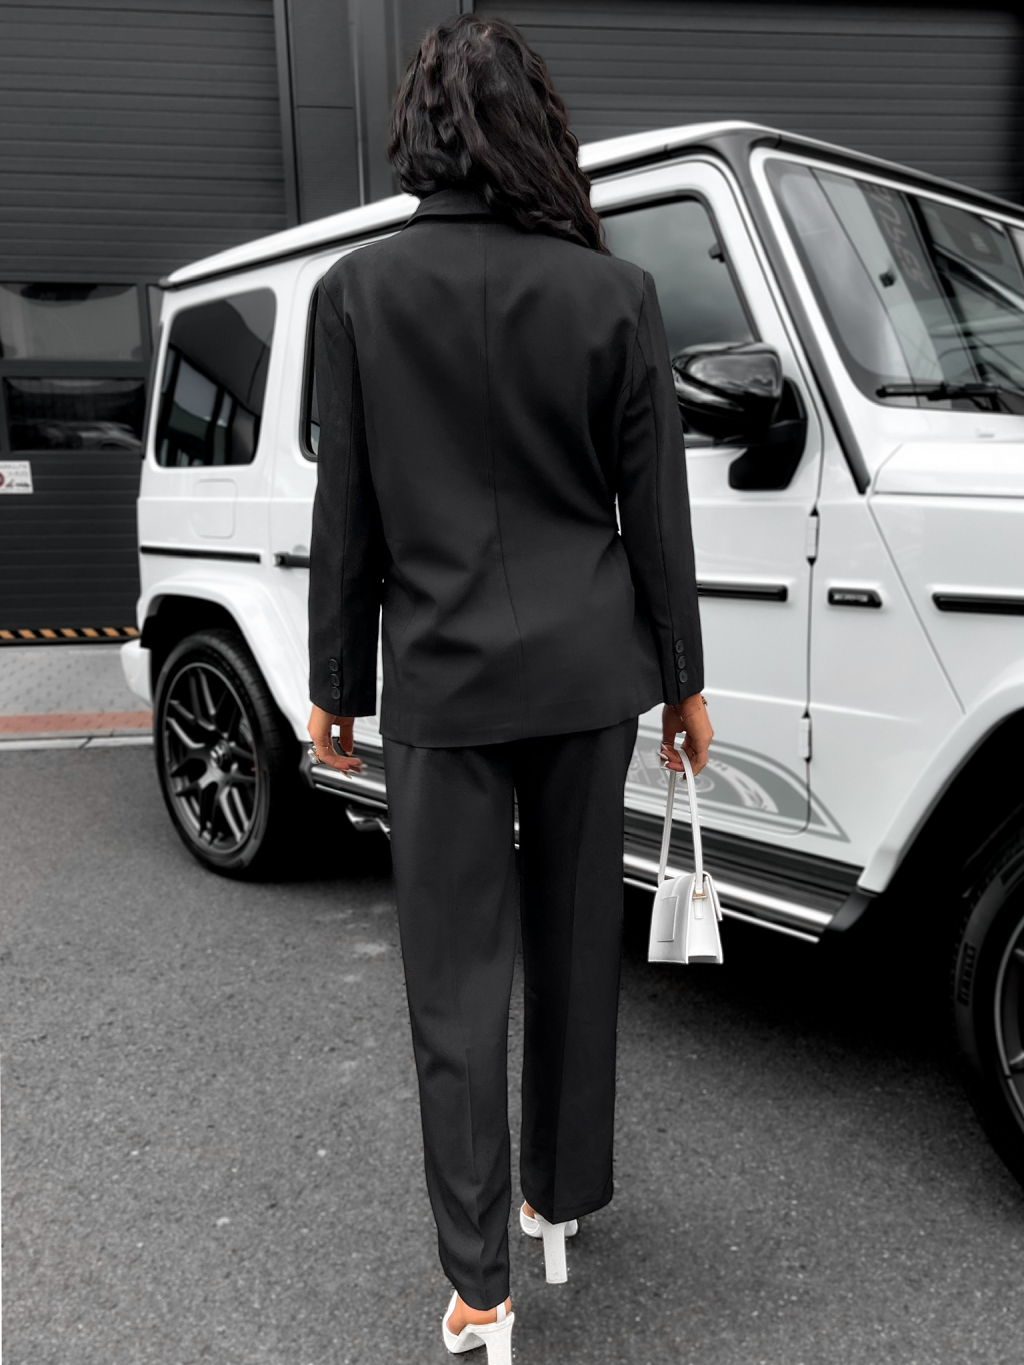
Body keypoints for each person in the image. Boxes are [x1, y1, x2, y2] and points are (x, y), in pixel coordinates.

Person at [306, 13, 712, 1359]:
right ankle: (559, 1197)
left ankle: (481, 1288)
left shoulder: (357, 293)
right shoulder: (615, 293)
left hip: (442, 684)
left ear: (419, 129)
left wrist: (334, 681)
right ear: (538, 128)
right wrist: (684, 679)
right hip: (591, 676)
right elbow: (656, 514)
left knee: (456, 990)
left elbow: (348, 508)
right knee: (578, 950)